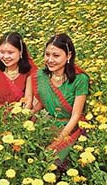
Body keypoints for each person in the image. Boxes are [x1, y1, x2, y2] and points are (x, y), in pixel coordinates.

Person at [31, 33, 89, 161]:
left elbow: (75, 115)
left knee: (52, 161)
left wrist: (57, 141)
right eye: (47, 54)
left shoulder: (80, 80)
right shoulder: (40, 75)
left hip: (69, 129)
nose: (50, 60)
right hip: (46, 123)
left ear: (68, 56)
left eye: (56, 55)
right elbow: (40, 103)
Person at [0, 32, 37, 107]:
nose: (5, 57)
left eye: (10, 53)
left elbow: (28, 100)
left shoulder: (29, 69)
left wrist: (22, 116)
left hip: (20, 115)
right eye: (2, 52)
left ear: (20, 52)